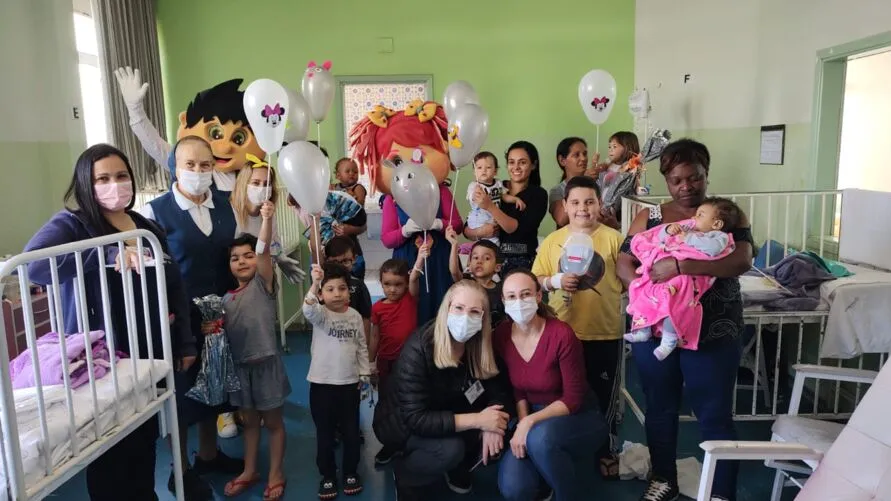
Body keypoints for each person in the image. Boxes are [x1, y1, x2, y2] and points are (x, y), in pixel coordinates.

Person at [24, 144, 197, 501]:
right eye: (102, 178)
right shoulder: (72, 224)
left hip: (149, 348)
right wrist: (105, 252)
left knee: (144, 437)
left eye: (121, 176)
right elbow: (34, 266)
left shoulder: (147, 227)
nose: (114, 184)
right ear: (86, 184)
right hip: (102, 356)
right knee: (107, 450)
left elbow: (173, 284)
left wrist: (184, 341)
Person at [616, 139, 754, 501]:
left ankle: (722, 492)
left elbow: (741, 261)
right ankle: (663, 479)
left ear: (706, 175)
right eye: (677, 180)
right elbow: (623, 261)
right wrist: (646, 293)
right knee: (659, 407)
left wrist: (682, 266)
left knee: (714, 412)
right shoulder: (651, 218)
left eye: (694, 178)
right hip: (657, 327)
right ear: (666, 180)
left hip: (713, 329)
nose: (686, 187)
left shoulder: (726, 215)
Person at [138, 135, 244, 497]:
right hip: (180, 318)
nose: (198, 172)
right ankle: (179, 468)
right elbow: (150, 271)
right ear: (174, 168)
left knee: (215, 384)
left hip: (221, 314)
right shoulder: (155, 212)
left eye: (205, 165)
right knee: (182, 395)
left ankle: (210, 455)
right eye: (190, 165)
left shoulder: (227, 206)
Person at [372, 280, 512, 501]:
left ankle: (456, 466)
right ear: (446, 309)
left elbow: (499, 390)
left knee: (494, 436)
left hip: (447, 411)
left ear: (483, 319)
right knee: (450, 450)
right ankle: (406, 477)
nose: (465, 317)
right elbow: (415, 418)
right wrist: (479, 420)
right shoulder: (419, 347)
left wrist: (492, 425)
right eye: (459, 308)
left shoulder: (479, 346)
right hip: (400, 423)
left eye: (475, 312)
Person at [532, 175, 624, 480]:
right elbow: (537, 281)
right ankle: (566, 444)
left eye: (589, 202)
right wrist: (554, 280)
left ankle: (606, 449)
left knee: (604, 395)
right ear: (565, 206)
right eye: (575, 202)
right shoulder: (552, 240)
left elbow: (626, 283)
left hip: (604, 333)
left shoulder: (614, 238)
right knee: (564, 394)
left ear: (599, 204)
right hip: (563, 333)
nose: (582, 208)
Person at [494, 269, 609, 501]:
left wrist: (528, 423)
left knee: (540, 440)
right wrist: (523, 420)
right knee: (515, 489)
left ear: (538, 297)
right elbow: (518, 387)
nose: (519, 302)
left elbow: (573, 399)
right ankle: (545, 473)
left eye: (526, 294)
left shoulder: (561, 334)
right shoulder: (501, 335)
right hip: (534, 417)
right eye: (512, 296)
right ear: (504, 301)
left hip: (578, 415)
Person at [350, 100, 463, 324]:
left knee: (444, 309)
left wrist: (440, 224)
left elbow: (457, 223)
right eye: (398, 160)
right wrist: (406, 230)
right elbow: (388, 239)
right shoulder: (392, 200)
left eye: (419, 156)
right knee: (412, 312)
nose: (411, 167)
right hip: (408, 262)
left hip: (441, 258)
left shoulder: (442, 192)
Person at [220, 204, 290, 500]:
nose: (242, 261)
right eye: (235, 258)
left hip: (266, 367)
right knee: (250, 423)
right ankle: (250, 470)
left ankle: (276, 473)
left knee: (272, 423)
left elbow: (263, 253)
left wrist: (267, 218)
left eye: (248, 255)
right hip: (240, 370)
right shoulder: (225, 298)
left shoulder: (263, 284)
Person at [113, 67, 265, 193]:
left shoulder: (249, 175)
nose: (225, 147)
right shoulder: (188, 165)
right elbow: (154, 144)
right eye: (215, 133)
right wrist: (136, 110)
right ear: (185, 120)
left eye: (238, 138)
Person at [625, 198, 741, 360]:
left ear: (716, 224)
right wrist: (668, 231)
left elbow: (713, 250)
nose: (694, 218)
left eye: (700, 215)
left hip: (687, 279)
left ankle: (670, 338)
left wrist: (687, 239)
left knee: (675, 304)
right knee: (645, 292)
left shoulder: (718, 236)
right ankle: (643, 329)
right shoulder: (689, 229)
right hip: (664, 274)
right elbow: (661, 239)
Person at [303, 263, 371, 498]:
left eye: (342, 288)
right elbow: (308, 309)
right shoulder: (320, 315)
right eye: (330, 289)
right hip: (322, 386)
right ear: (321, 295)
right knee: (325, 433)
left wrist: (365, 373)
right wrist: (314, 282)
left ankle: (351, 471)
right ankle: (328, 475)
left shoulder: (354, 316)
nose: (337, 293)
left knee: (352, 433)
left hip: (349, 385)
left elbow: (362, 346)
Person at [369, 247, 427, 465]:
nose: (392, 290)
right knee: (386, 404)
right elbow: (374, 337)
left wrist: (420, 258)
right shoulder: (377, 308)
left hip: (409, 364)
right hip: (385, 363)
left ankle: (409, 441)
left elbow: (414, 279)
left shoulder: (410, 300)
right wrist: (369, 365)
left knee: (409, 402)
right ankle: (390, 443)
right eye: (387, 284)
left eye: (398, 284)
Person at [465, 141, 548, 274]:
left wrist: (490, 206)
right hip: (489, 259)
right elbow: (467, 229)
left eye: (522, 162)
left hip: (521, 261)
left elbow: (516, 229)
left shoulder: (538, 194)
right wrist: (481, 232)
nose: (516, 167)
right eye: (511, 162)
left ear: (533, 165)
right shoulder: (496, 185)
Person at [446, 226, 505, 327]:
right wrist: (454, 245)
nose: (479, 261)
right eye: (475, 257)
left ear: (497, 267)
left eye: (486, 258)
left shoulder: (501, 290)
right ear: (469, 263)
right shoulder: (466, 282)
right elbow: (454, 272)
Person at [465, 151, 523, 246]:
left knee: (494, 242)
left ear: (495, 171)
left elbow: (504, 196)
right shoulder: (474, 186)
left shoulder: (498, 183)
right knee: (485, 243)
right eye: (479, 168)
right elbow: (473, 199)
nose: (483, 170)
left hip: (493, 218)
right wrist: (476, 193)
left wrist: (515, 199)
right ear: (474, 172)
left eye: (488, 167)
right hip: (479, 220)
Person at [592, 131, 640, 228]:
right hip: (603, 201)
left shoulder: (629, 167)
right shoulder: (608, 164)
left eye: (614, 147)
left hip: (618, 206)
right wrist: (595, 165)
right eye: (609, 147)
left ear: (627, 148)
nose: (610, 150)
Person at [548, 137, 589, 229]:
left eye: (585, 154)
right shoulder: (557, 191)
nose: (583, 158)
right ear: (562, 160)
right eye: (576, 155)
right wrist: (580, 183)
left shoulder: (596, 185)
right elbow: (561, 220)